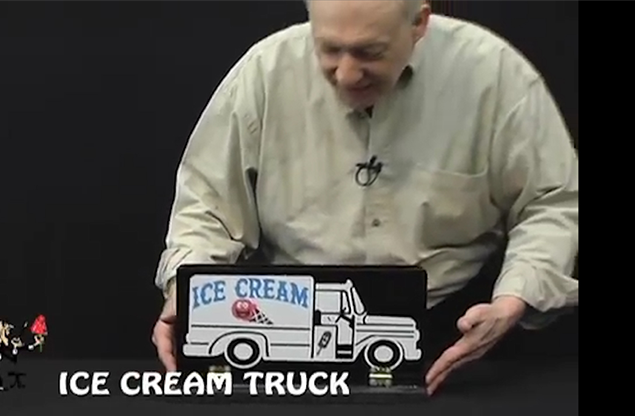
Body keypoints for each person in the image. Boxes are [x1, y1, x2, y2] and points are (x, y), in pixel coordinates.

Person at [151, 0, 578, 395]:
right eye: (329, 50)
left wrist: (514, 299)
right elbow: (207, 207)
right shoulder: (265, 72)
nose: (347, 75)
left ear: (419, 24)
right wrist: (189, 294)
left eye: (369, 52)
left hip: (457, 338)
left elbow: (551, 202)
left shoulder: (494, 75)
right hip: (288, 328)